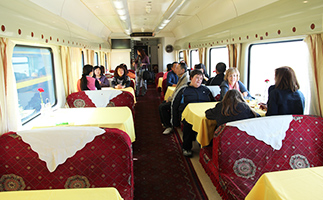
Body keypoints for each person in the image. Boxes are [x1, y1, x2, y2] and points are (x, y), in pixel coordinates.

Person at [172, 70, 215, 157]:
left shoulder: (206, 90)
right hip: (188, 114)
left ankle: (208, 147)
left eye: (201, 78)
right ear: (191, 78)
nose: (199, 80)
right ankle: (186, 148)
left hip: (204, 114)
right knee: (188, 125)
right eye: (197, 78)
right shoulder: (184, 90)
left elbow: (213, 103)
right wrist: (175, 121)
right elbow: (175, 105)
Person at [159, 62, 189, 135]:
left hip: (180, 101)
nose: (176, 69)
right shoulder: (181, 77)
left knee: (162, 107)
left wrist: (169, 100)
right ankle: (166, 122)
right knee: (162, 104)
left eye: (177, 68)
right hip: (176, 98)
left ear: (182, 70)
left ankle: (169, 126)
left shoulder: (185, 80)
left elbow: (178, 94)